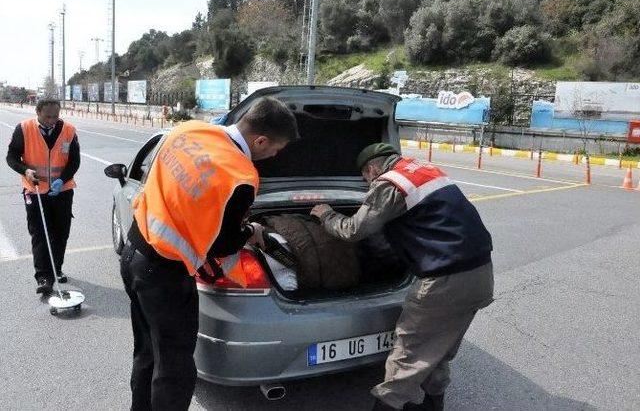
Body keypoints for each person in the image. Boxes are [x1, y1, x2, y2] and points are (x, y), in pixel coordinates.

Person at [120, 97, 298, 411]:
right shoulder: (240, 177)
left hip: (133, 252)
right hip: (165, 274)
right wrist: (250, 232)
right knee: (174, 369)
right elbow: (224, 245)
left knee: (148, 351)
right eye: (277, 148)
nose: (275, 155)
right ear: (260, 140)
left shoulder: (187, 131)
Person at [310, 143, 494, 411]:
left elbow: (353, 230)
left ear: (372, 168)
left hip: (444, 280)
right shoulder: (425, 170)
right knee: (439, 346)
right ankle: (433, 405)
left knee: (407, 354)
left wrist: (325, 214)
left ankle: (386, 406)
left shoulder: (390, 184)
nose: (366, 183)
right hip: (480, 274)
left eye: (365, 177)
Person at [6, 98, 80, 295]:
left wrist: (62, 180)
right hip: (34, 189)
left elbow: (74, 162)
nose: (52, 120)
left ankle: (56, 269)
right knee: (39, 233)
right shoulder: (23, 129)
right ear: (37, 112)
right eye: (48, 116)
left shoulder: (69, 131)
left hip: (61, 190)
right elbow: (11, 157)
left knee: (60, 232)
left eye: (56, 116)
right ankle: (44, 277)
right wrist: (25, 171)